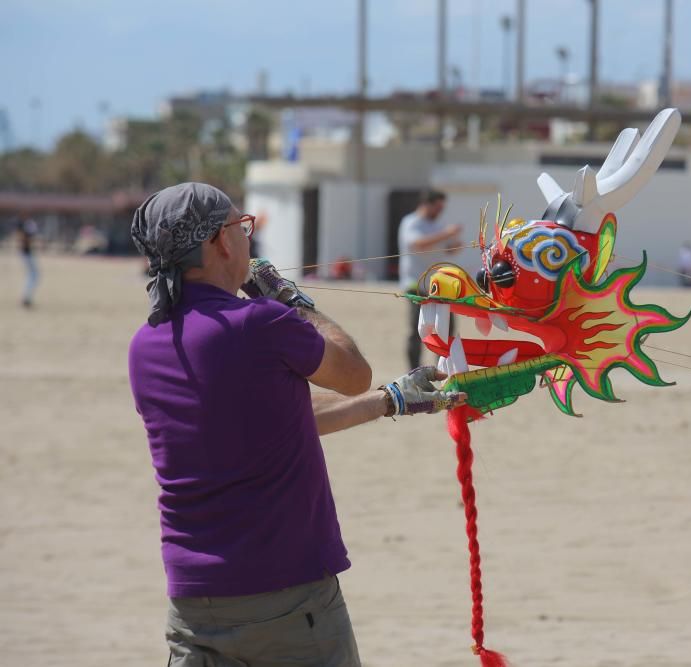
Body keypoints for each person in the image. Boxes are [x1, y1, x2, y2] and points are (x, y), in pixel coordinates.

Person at [128, 182, 463, 667]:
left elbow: (272, 421)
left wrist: (390, 400)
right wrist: (290, 298)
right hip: (287, 595)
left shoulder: (147, 344)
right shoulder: (259, 322)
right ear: (220, 243)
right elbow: (352, 372)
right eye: (242, 227)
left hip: (193, 602)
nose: (249, 237)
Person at [397, 189, 462, 368]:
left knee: (446, 331)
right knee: (417, 331)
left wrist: (455, 244)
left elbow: (448, 250)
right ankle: (414, 371)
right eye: (438, 207)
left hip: (440, 288)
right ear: (426, 204)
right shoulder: (411, 222)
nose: (440, 212)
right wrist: (447, 234)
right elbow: (418, 244)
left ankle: (442, 368)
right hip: (415, 285)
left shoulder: (438, 225)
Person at [15, 213, 40, 307]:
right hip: (26, 253)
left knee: (33, 274)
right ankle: (26, 297)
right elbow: (24, 240)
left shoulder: (26, 225)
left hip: (27, 252)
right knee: (33, 274)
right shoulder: (24, 226)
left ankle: (27, 297)